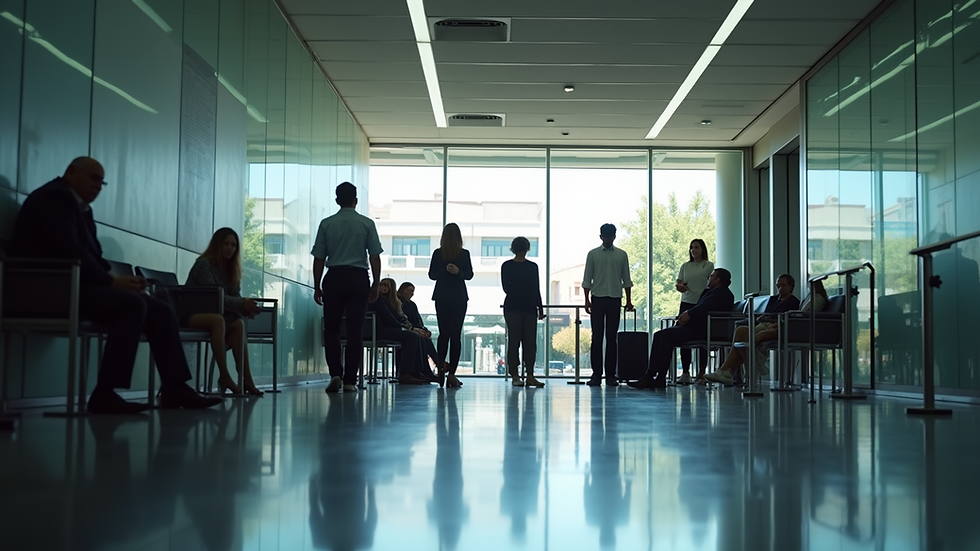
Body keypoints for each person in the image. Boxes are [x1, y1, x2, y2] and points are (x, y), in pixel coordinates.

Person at [10, 157, 222, 413]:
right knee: (132, 306)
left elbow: (93, 257)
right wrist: (112, 282)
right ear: (70, 172)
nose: (98, 186)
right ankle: (105, 394)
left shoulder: (81, 208)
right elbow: (69, 250)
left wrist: (121, 282)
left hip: (75, 286)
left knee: (160, 310)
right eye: (93, 178)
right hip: (49, 290)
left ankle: (175, 388)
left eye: (102, 181)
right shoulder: (54, 198)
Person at [312, 181, 383, 394]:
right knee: (355, 330)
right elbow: (374, 256)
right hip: (358, 277)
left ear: (337, 201)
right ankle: (350, 380)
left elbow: (318, 258)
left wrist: (317, 286)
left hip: (333, 277)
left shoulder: (326, 224)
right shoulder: (367, 223)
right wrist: (376, 284)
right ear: (356, 200)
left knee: (331, 329)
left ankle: (335, 374)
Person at [184, 228, 264, 396]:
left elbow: (233, 298)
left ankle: (247, 379)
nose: (230, 248)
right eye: (226, 244)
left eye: (233, 245)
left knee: (238, 324)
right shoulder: (204, 264)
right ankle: (225, 375)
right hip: (190, 312)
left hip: (215, 313)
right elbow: (214, 297)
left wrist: (244, 309)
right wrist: (242, 304)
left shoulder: (231, 270)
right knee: (218, 320)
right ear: (217, 245)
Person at [628, 268, 735, 390]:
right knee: (659, 334)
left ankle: (659, 376)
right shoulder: (714, 292)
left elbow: (704, 308)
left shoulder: (721, 293)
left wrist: (688, 314)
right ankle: (651, 375)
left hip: (703, 330)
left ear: (718, 279)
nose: (709, 278)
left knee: (667, 335)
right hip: (698, 327)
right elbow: (703, 308)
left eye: (711, 276)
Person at [705, 277, 825, 386]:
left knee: (746, 336)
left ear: (790, 287)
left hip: (777, 327)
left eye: (783, 285)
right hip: (767, 324)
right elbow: (771, 314)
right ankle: (729, 371)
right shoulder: (774, 300)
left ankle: (729, 371)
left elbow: (785, 318)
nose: (780, 288)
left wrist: (772, 320)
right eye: (778, 285)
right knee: (741, 331)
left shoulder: (794, 302)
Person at [582, 223, 634, 387]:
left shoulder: (622, 255)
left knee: (612, 338)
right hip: (598, 298)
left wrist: (628, 300)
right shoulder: (593, 254)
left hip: (614, 298)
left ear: (614, 236)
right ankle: (597, 374)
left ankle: (611, 375)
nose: (608, 239)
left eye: (611, 236)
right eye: (606, 236)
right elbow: (587, 280)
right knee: (596, 337)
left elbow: (626, 279)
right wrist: (587, 300)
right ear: (601, 237)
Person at [428, 223, 473, 388]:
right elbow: (468, 275)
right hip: (459, 297)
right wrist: (458, 272)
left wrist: (447, 272)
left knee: (444, 333)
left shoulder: (438, 253)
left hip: (442, 296)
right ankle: (451, 373)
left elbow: (432, 275)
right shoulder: (464, 254)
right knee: (455, 335)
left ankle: (441, 368)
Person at [501, 236, 546, 387]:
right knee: (529, 342)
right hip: (528, 307)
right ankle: (530, 374)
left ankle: (515, 375)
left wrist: (538, 307)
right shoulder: (532, 267)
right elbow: (535, 289)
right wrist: (540, 308)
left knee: (514, 341)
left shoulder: (507, 266)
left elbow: (507, 288)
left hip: (513, 306)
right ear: (527, 248)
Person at [372, 278, 434, 384]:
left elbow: (397, 319)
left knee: (417, 336)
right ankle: (405, 373)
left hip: (388, 328)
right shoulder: (378, 299)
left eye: (387, 286)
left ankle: (418, 372)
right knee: (413, 337)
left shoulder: (388, 301)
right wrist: (407, 329)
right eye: (382, 284)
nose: (384, 287)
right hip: (380, 331)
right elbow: (389, 318)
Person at [674, 239, 714, 384]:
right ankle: (685, 372)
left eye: (696, 247)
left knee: (702, 339)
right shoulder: (685, 266)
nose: (693, 250)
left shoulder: (708, 266)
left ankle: (701, 372)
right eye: (691, 248)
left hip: (702, 304)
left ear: (702, 249)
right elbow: (678, 283)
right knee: (684, 338)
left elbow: (711, 285)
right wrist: (680, 287)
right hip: (686, 303)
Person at [397, 281, 439, 369]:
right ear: (402, 290)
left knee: (424, 337)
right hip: (405, 329)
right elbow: (402, 320)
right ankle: (436, 363)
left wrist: (424, 329)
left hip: (414, 328)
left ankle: (430, 366)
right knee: (422, 339)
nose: (411, 293)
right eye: (409, 290)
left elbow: (418, 320)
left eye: (412, 291)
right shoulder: (398, 302)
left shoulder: (412, 305)